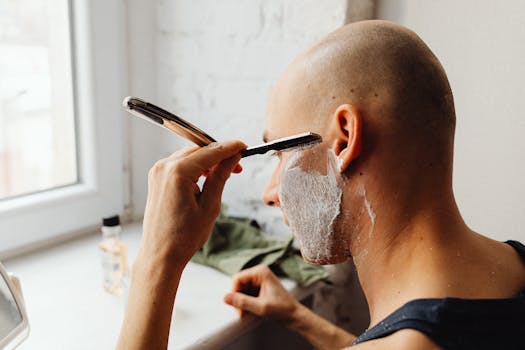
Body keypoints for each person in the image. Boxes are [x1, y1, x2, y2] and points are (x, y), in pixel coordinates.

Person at [117, 20, 525, 349]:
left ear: (344, 139)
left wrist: (157, 258)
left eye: (278, 155)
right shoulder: (512, 270)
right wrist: (298, 317)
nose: (269, 193)